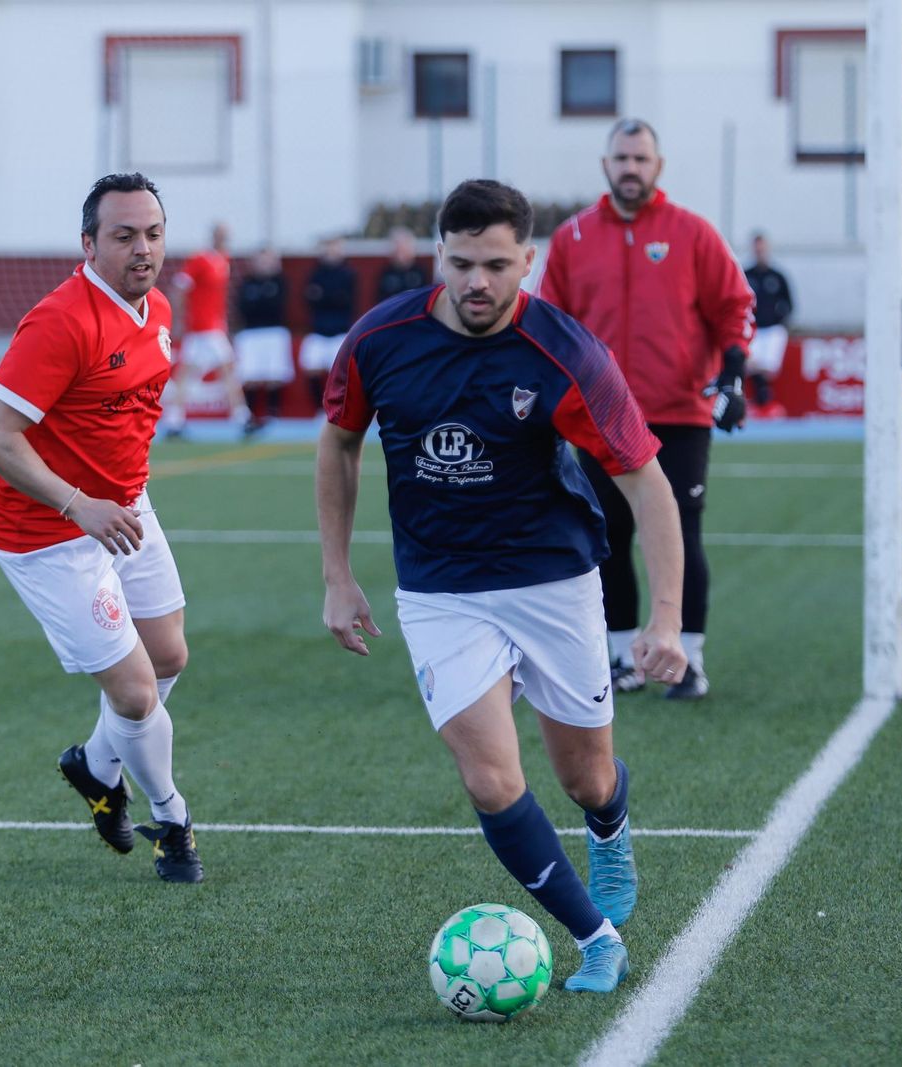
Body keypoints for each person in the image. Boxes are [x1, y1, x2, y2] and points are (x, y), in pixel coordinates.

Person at [316, 179, 689, 994]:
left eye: (495, 264)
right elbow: (339, 444)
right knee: (489, 776)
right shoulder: (379, 340)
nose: (476, 282)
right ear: (437, 255)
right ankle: (595, 939)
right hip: (439, 587)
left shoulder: (567, 353)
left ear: (529, 259)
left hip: (550, 577)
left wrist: (663, 617)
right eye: (460, 263)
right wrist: (338, 576)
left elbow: (644, 480)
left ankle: (609, 823)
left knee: (584, 775)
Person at [0, 173, 203, 884]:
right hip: (49, 531)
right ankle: (173, 820)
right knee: (135, 692)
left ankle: (96, 766)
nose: (144, 249)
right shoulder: (61, 321)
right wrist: (81, 504)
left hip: (123, 509)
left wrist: (115, 494)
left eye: (154, 233)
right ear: (89, 243)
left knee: (169, 656)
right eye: (125, 235)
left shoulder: (157, 307)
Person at [539, 117, 755, 700]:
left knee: (680, 532)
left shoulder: (692, 232)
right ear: (605, 165)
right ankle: (623, 657)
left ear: (658, 166)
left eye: (641, 158)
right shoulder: (573, 238)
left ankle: (688, 658)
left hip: (679, 413)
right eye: (621, 158)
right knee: (604, 536)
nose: (630, 167)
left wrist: (731, 377)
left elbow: (737, 306)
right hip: (600, 416)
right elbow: (546, 326)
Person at [163, 222, 249, 436]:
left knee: (190, 372)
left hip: (213, 327)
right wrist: (179, 320)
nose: (223, 239)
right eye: (220, 235)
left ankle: (174, 420)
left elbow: (218, 298)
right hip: (202, 327)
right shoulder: (200, 260)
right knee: (227, 369)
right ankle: (242, 418)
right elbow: (179, 288)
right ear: (213, 236)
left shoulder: (224, 260)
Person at [233, 247, 294, 434]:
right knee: (250, 375)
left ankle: (272, 414)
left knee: (274, 375)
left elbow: (276, 307)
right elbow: (244, 308)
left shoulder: (280, 282)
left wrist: (260, 303)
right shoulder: (247, 283)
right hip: (251, 333)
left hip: (274, 331)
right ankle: (250, 416)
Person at [298, 236, 358, 410]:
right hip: (318, 330)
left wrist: (324, 296)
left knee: (343, 375)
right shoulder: (315, 273)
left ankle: (341, 408)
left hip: (340, 331)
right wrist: (330, 297)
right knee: (311, 367)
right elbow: (309, 298)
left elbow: (345, 301)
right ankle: (319, 409)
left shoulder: (348, 274)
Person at [742, 231, 794, 417]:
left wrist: (780, 320)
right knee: (751, 363)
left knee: (767, 367)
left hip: (772, 329)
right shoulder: (745, 275)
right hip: (753, 330)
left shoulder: (777, 276)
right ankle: (761, 403)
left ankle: (765, 403)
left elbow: (789, 303)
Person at [376, 225, 428, 303]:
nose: (400, 251)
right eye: (398, 247)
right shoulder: (386, 274)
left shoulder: (421, 272)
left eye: (404, 246)